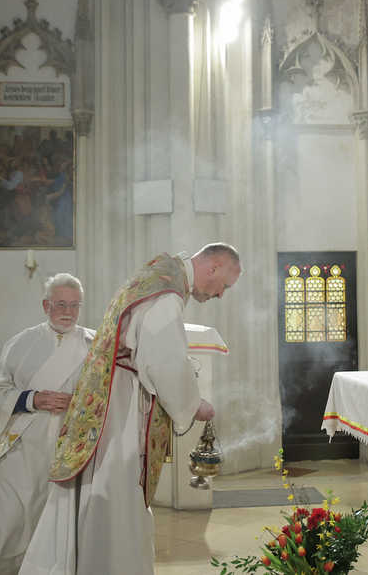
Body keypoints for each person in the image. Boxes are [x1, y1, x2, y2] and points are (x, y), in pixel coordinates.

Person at [19, 243, 242, 575]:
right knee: (116, 498)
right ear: (214, 267)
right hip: (119, 409)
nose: (220, 294)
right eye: (225, 285)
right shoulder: (166, 292)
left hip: (111, 395)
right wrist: (194, 404)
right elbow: (165, 363)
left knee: (103, 494)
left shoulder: (160, 274)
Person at [0, 274, 96, 575]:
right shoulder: (21, 344)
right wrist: (32, 398)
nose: (68, 312)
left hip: (70, 457)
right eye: (61, 304)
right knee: (10, 528)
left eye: (74, 305)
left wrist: (77, 402)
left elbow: (105, 397)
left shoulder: (94, 345)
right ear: (45, 305)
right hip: (22, 456)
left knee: (61, 536)